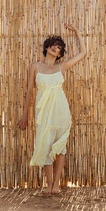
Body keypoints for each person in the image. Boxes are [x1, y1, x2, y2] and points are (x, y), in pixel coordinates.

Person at [18, 23, 86, 194]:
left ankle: (56, 185)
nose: (57, 49)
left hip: (60, 112)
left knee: (60, 148)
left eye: (60, 48)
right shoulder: (35, 67)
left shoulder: (61, 67)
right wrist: (25, 114)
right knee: (45, 145)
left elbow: (83, 53)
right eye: (55, 46)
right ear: (47, 47)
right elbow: (29, 91)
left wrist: (77, 31)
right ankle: (48, 184)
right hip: (43, 113)